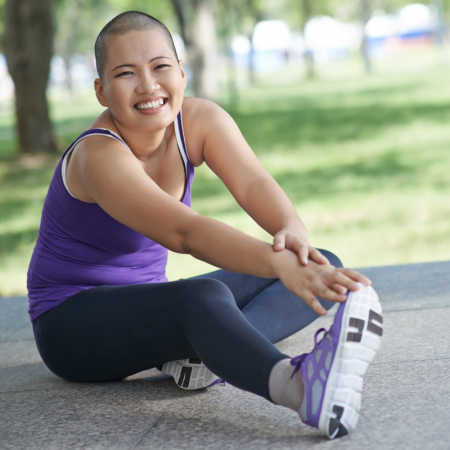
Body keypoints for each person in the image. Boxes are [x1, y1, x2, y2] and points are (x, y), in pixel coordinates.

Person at [28, 11, 383, 440]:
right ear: (102, 91)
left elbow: (253, 183)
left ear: (181, 71)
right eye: (126, 74)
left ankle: (209, 355)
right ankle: (299, 387)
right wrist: (281, 266)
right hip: (71, 327)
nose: (148, 85)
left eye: (160, 67)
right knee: (204, 296)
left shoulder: (198, 120)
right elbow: (185, 233)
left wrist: (292, 237)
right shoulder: (98, 157)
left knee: (321, 260)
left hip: (146, 307)